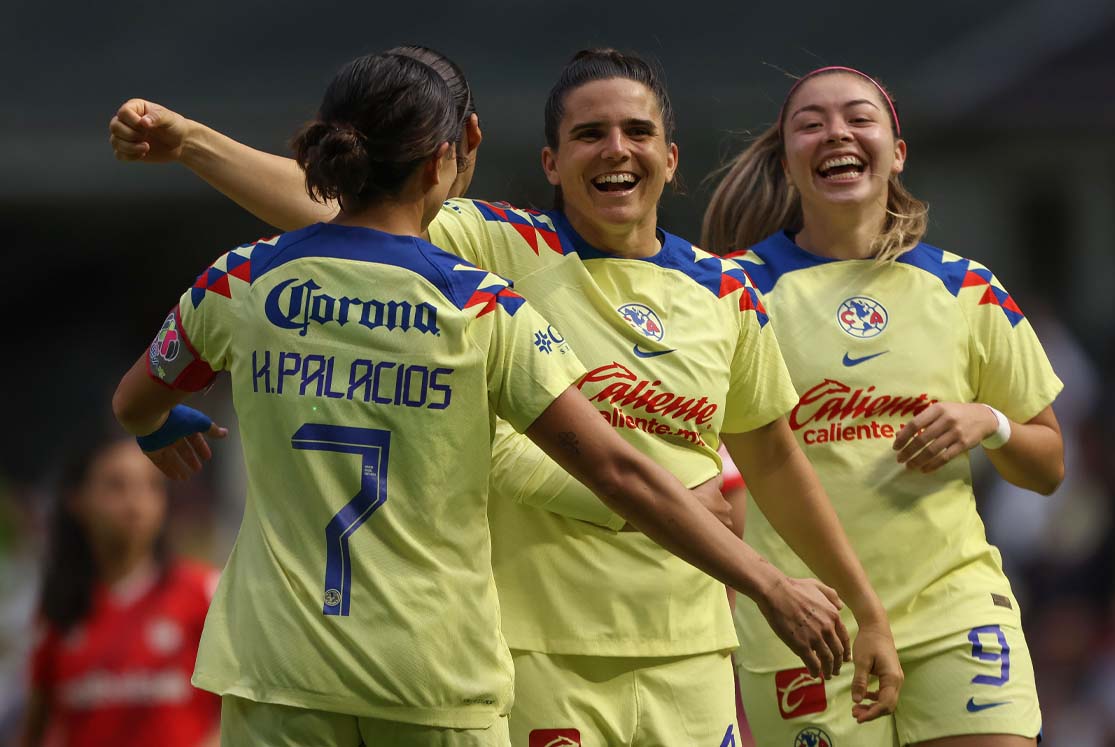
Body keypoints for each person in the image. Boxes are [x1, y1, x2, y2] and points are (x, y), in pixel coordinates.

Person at [108, 48, 903, 745]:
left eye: (636, 131)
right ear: (549, 162)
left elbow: (776, 463)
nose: (615, 148)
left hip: (689, 646)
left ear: (670, 156)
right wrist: (195, 144)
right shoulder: (495, 256)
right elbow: (348, 212)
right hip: (531, 653)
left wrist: (864, 605)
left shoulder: (725, 292)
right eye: (589, 134)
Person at [702, 65, 1065, 746]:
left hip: (955, 609)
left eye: (858, 118)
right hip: (808, 625)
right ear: (788, 162)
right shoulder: (731, 293)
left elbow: (1048, 467)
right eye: (811, 124)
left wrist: (990, 423)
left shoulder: (967, 288)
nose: (836, 133)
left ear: (897, 153)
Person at [20, 437, 220, 747]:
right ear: (77, 499)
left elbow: (245, 710)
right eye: (116, 486)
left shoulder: (206, 592)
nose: (135, 501)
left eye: (151, 486)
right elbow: (35, 728)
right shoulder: (57, 610)